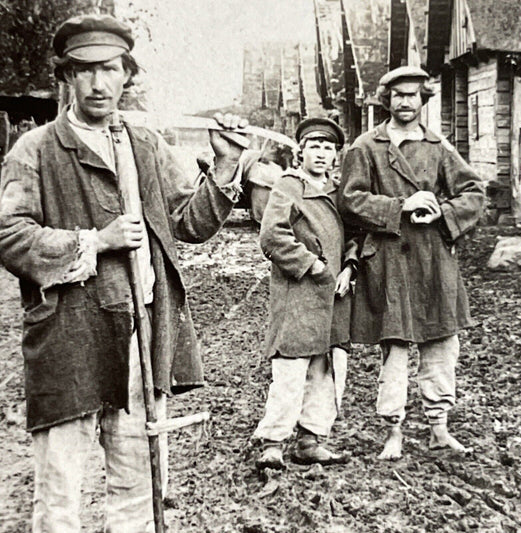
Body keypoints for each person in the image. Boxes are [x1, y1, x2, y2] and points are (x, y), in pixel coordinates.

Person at [0, 14, 249, 532]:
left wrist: (225, 167)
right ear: (66, 76)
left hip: (140, 339)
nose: (98, 83)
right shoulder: (37, 150)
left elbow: (189, 221)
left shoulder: (146, 146)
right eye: (85, 70)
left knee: (137, 490)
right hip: (67, 340)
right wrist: (94, 242)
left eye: (110, 69)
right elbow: (10, 235)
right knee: (60, 495)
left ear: (126, 74)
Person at [338, 66, 484, 460]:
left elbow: (473, 193)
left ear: (424, 99)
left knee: (440, 343)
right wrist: (401, 206)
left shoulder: (438, 147)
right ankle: (393, 432)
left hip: (434, 260)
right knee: (396, 348)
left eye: (413, 95)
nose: (406, 101)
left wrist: (441, 211)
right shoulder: (366, 147)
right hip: (390, 260)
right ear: (387, 100)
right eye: (398, 95)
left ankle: (439, 427)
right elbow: (350, 201)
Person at [253, 117, 355, 469]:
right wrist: (310, 264)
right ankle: (273, 442)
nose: (322, 154)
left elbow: (355, 235)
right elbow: (272, 235)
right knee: (291, 369)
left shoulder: (339, 192)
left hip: (335, 295)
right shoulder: (288, 186)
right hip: (298, 293)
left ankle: (311, 439)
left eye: (328, 148)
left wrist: (349, 267)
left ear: (336, 155)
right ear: (301, 152)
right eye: (315, 147)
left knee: (326, 368)